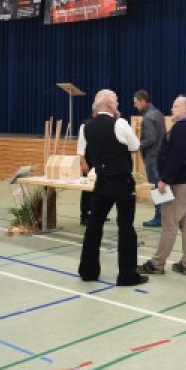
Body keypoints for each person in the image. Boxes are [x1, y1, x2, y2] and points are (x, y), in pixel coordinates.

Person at [78, 89, 147, 286]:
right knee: (125, 227)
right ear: (109, 104)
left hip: (101, 182)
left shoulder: (86, 127)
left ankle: (88, 270)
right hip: (122, 183)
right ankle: (127, 275)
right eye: (116, 101)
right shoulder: (120, 123)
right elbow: (135, 147)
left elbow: (83, 151)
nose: (117, 104)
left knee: (94, 226)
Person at [138, 95, 186, 276]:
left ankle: (157, 263)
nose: (172, 109)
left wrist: (164, 179)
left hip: (179, 183)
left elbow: (176, 157)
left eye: (176, 106)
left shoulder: (181, 128)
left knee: (169, 224)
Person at [133, 90, 166, 227]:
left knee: (156, 187)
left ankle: (160, 217)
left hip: (152, 158)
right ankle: (165, 216)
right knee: (161, 188)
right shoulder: (158, 113)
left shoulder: (147, 118)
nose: (135, 106)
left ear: (142, 101)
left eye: (136, 103)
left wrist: (136, 145)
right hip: (160, 156)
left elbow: (151, 139)